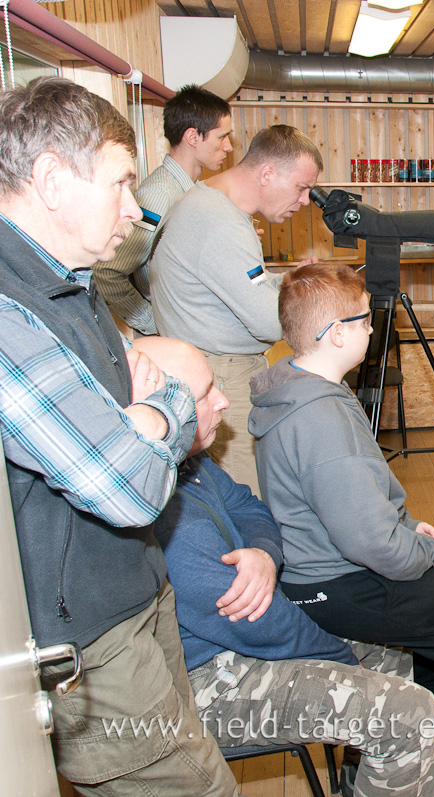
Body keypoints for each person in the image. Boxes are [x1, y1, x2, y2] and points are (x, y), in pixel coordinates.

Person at [0, 77, 237, 794]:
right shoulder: (10, 312)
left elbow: (145, 377)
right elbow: (127, 483)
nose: (135, 211)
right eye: (121, 184)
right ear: (49, 178)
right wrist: (169, 413)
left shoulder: (67, 280)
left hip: (137, 598)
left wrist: (144, 415)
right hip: (95, 641)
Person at [247, 262, 434, 797]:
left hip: (318, 566)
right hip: (332, 584)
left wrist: (412, 532)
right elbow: (371, 542)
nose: (371, 329)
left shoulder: (295, 388)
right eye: (363, 321)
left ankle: (433, 722)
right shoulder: (322, 418)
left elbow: (358, 506)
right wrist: (418, 550)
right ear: (336, 335)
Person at [135, 335, 434, 797]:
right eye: (203, 396)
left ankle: (366, 784)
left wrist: (262, 553)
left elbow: (252, 508)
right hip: (205, 683)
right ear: (157, 411)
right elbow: (255, 623)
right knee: (408, 715)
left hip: (239, 638)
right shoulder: (162, 513)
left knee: (391, 648)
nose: (222, 402)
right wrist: (338, 654)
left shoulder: (187, 464)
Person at [150, 123, 322, 495]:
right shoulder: (222, 223)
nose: (305, 200)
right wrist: (303, 294)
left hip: (213, 366)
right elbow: (268, 324)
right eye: (301, 188)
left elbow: (241, 286)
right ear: (267, 172)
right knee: (247, 503)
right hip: (222, 374)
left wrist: (287, 279)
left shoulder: (209, 202)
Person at [94, 84, 233, 335]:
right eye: (222, 137)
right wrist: (155, 324)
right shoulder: (159, 196)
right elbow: (107, 273)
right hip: (171, 333)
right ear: (193, 137)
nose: (229, 146)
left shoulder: (191, 190)